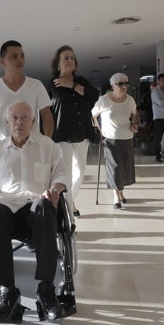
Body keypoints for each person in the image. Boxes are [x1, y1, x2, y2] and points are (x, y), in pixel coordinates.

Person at [0, 101, 69, 323]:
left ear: (33, 121)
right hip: (5, 213)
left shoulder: (47, 146)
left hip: (35, 211)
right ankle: (7, 293)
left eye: (24, 118)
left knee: (44, 204)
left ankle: (45, 290)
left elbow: (62, 176)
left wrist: (55, 188)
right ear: (7, 122)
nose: (19, 122)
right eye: (14, 118)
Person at [49, 45, 99, 217]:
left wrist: (72, 85)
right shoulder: (53, 84)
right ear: (58, 64)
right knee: (67, 174)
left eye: (71, 57)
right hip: (62, 136)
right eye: (66, 58)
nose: (69, 60)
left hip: (82, 134)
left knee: (81, 171)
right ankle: (69, 212)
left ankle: (70, 201)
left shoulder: (82, 82)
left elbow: (94, 96)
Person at [0, 40, 54, 150]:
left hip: (33, 146)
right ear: (2, 61)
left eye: (22, 56)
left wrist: (47, 141)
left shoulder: (36, 85)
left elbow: (47, 115)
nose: (20, 60)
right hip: (4, 147)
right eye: (14, 56)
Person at [91, 73, 138, 209]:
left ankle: (121, 192)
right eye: (120, 84)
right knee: (115, 168)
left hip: (127, 138)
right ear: (112, 86)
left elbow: (134, 114)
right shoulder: (104, 100)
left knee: (124, 168)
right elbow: (93, 115)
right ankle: (115, 196)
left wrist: (133, 124)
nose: (124, 86)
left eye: (126, 83)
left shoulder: (130, 100)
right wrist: (98, 130)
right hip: (110, 139)